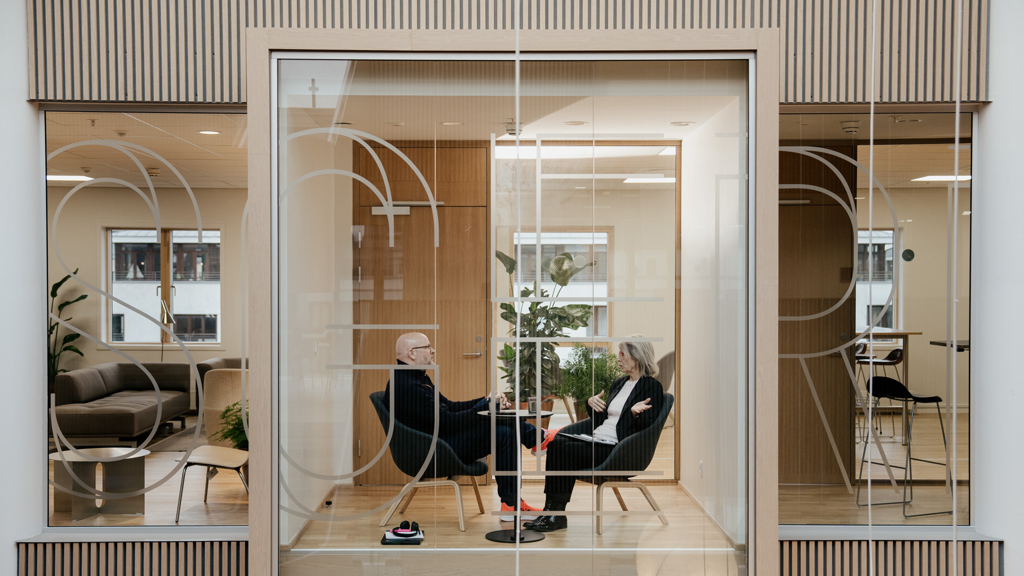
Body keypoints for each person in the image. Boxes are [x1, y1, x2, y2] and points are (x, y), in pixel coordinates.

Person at [383, 332, 552, 521]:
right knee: (503, 433)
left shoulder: (417, 378)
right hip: (433, 452)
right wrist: (486, 407)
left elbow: (450, 406)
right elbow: (447, 422)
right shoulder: (407, 385)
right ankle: (538, 440)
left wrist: (485, 401)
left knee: (503, 430)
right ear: (412, 353)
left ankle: (513, 501)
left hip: (439, 443)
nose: (433, 350)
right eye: (427, 347)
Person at [523, 336, 665, 532]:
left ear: (637, 356)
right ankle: (550, 511)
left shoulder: (651, 386)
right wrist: (591, 404)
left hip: (617, 449)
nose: (618, 358)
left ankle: (556, 515)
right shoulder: (620, 383)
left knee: (566, 451)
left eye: (622, 354)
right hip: (598, 439)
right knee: (555, 443)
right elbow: (601, 420)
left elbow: (648, 426)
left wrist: (634, 413)